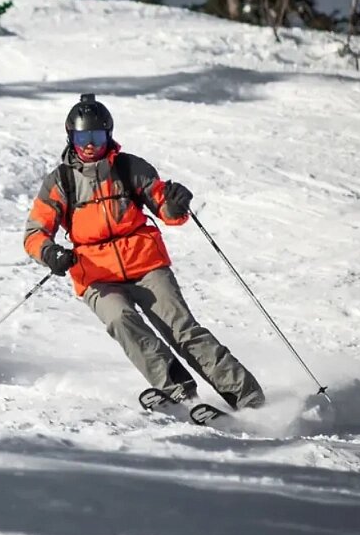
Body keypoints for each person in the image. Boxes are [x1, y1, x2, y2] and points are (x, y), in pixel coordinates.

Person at [23, 93, 265, 410]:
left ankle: (246, 395)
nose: (90, 145)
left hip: (147, 267)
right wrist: (51, 253)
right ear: (71, 136)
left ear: (108, 135)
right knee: (121, 319)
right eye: (82, 137)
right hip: (98, 276)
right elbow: (34, 233)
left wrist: (176, 203)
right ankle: (177, 388)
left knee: (182, 329)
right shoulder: (61, 181)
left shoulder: (129, 168)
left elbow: (167, 210)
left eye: (96, 136)